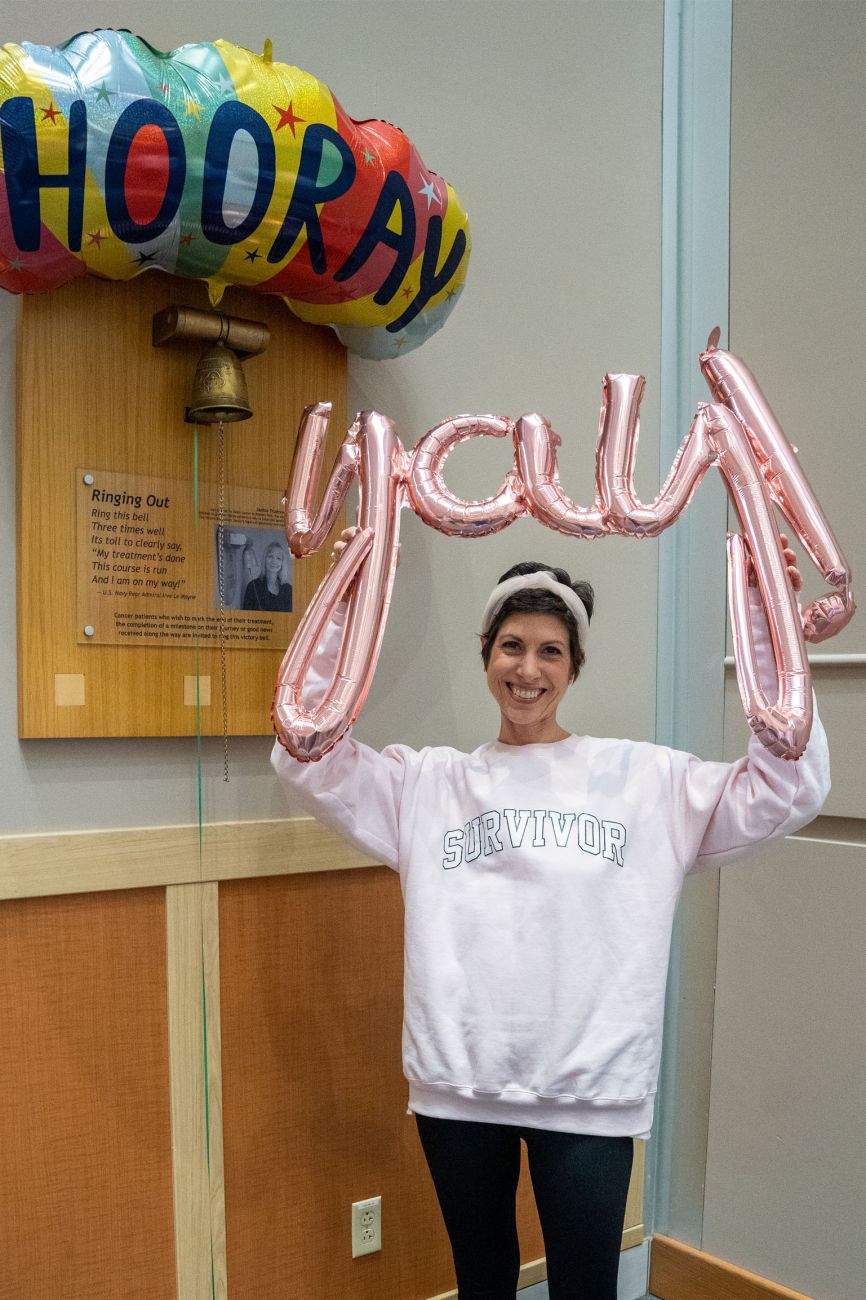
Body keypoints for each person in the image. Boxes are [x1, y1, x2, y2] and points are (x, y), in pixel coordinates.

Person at [271, 540, 829, 1300]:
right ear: (486, 652)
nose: (527, 669)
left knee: (585, 1290)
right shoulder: (427, 785)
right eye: (511, 646)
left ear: (573, 668)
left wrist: (769, 639)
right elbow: (303, 754)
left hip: (592, 1091)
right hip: (459, 1085)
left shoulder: (646, 782)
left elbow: (789, 788)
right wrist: (342, 609)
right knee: (482, 1283)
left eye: (550, 651)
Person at [242, 540, 292, 612]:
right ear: (265, 559)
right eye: (270, 556)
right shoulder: (253, 586)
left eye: (278, 558)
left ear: (282, 563)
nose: (274, 561)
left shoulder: (289, 590)